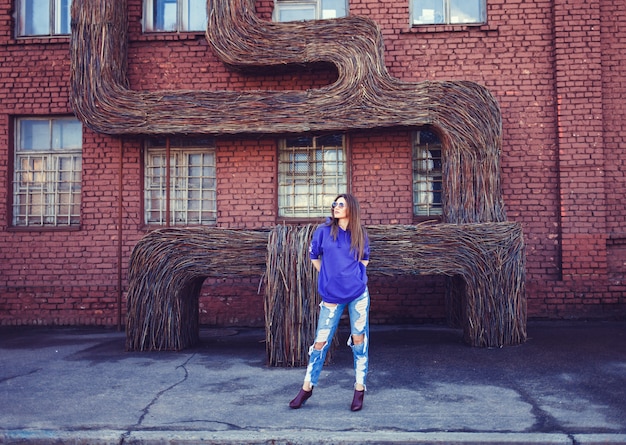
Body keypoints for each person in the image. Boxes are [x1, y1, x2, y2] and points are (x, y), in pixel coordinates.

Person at [289, 193, 370, 411]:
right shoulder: (323, 232)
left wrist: (357, 277)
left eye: (341, 205)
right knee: (319, 343)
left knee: (359, 342)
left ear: (350, 209)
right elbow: (314, 256)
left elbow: (364, 259)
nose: (336, 207)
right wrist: (326, 275)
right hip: (331, 296)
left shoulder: (359, 233)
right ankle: (307, 388)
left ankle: (359, 389)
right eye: (335, 204)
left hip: (357, 294)